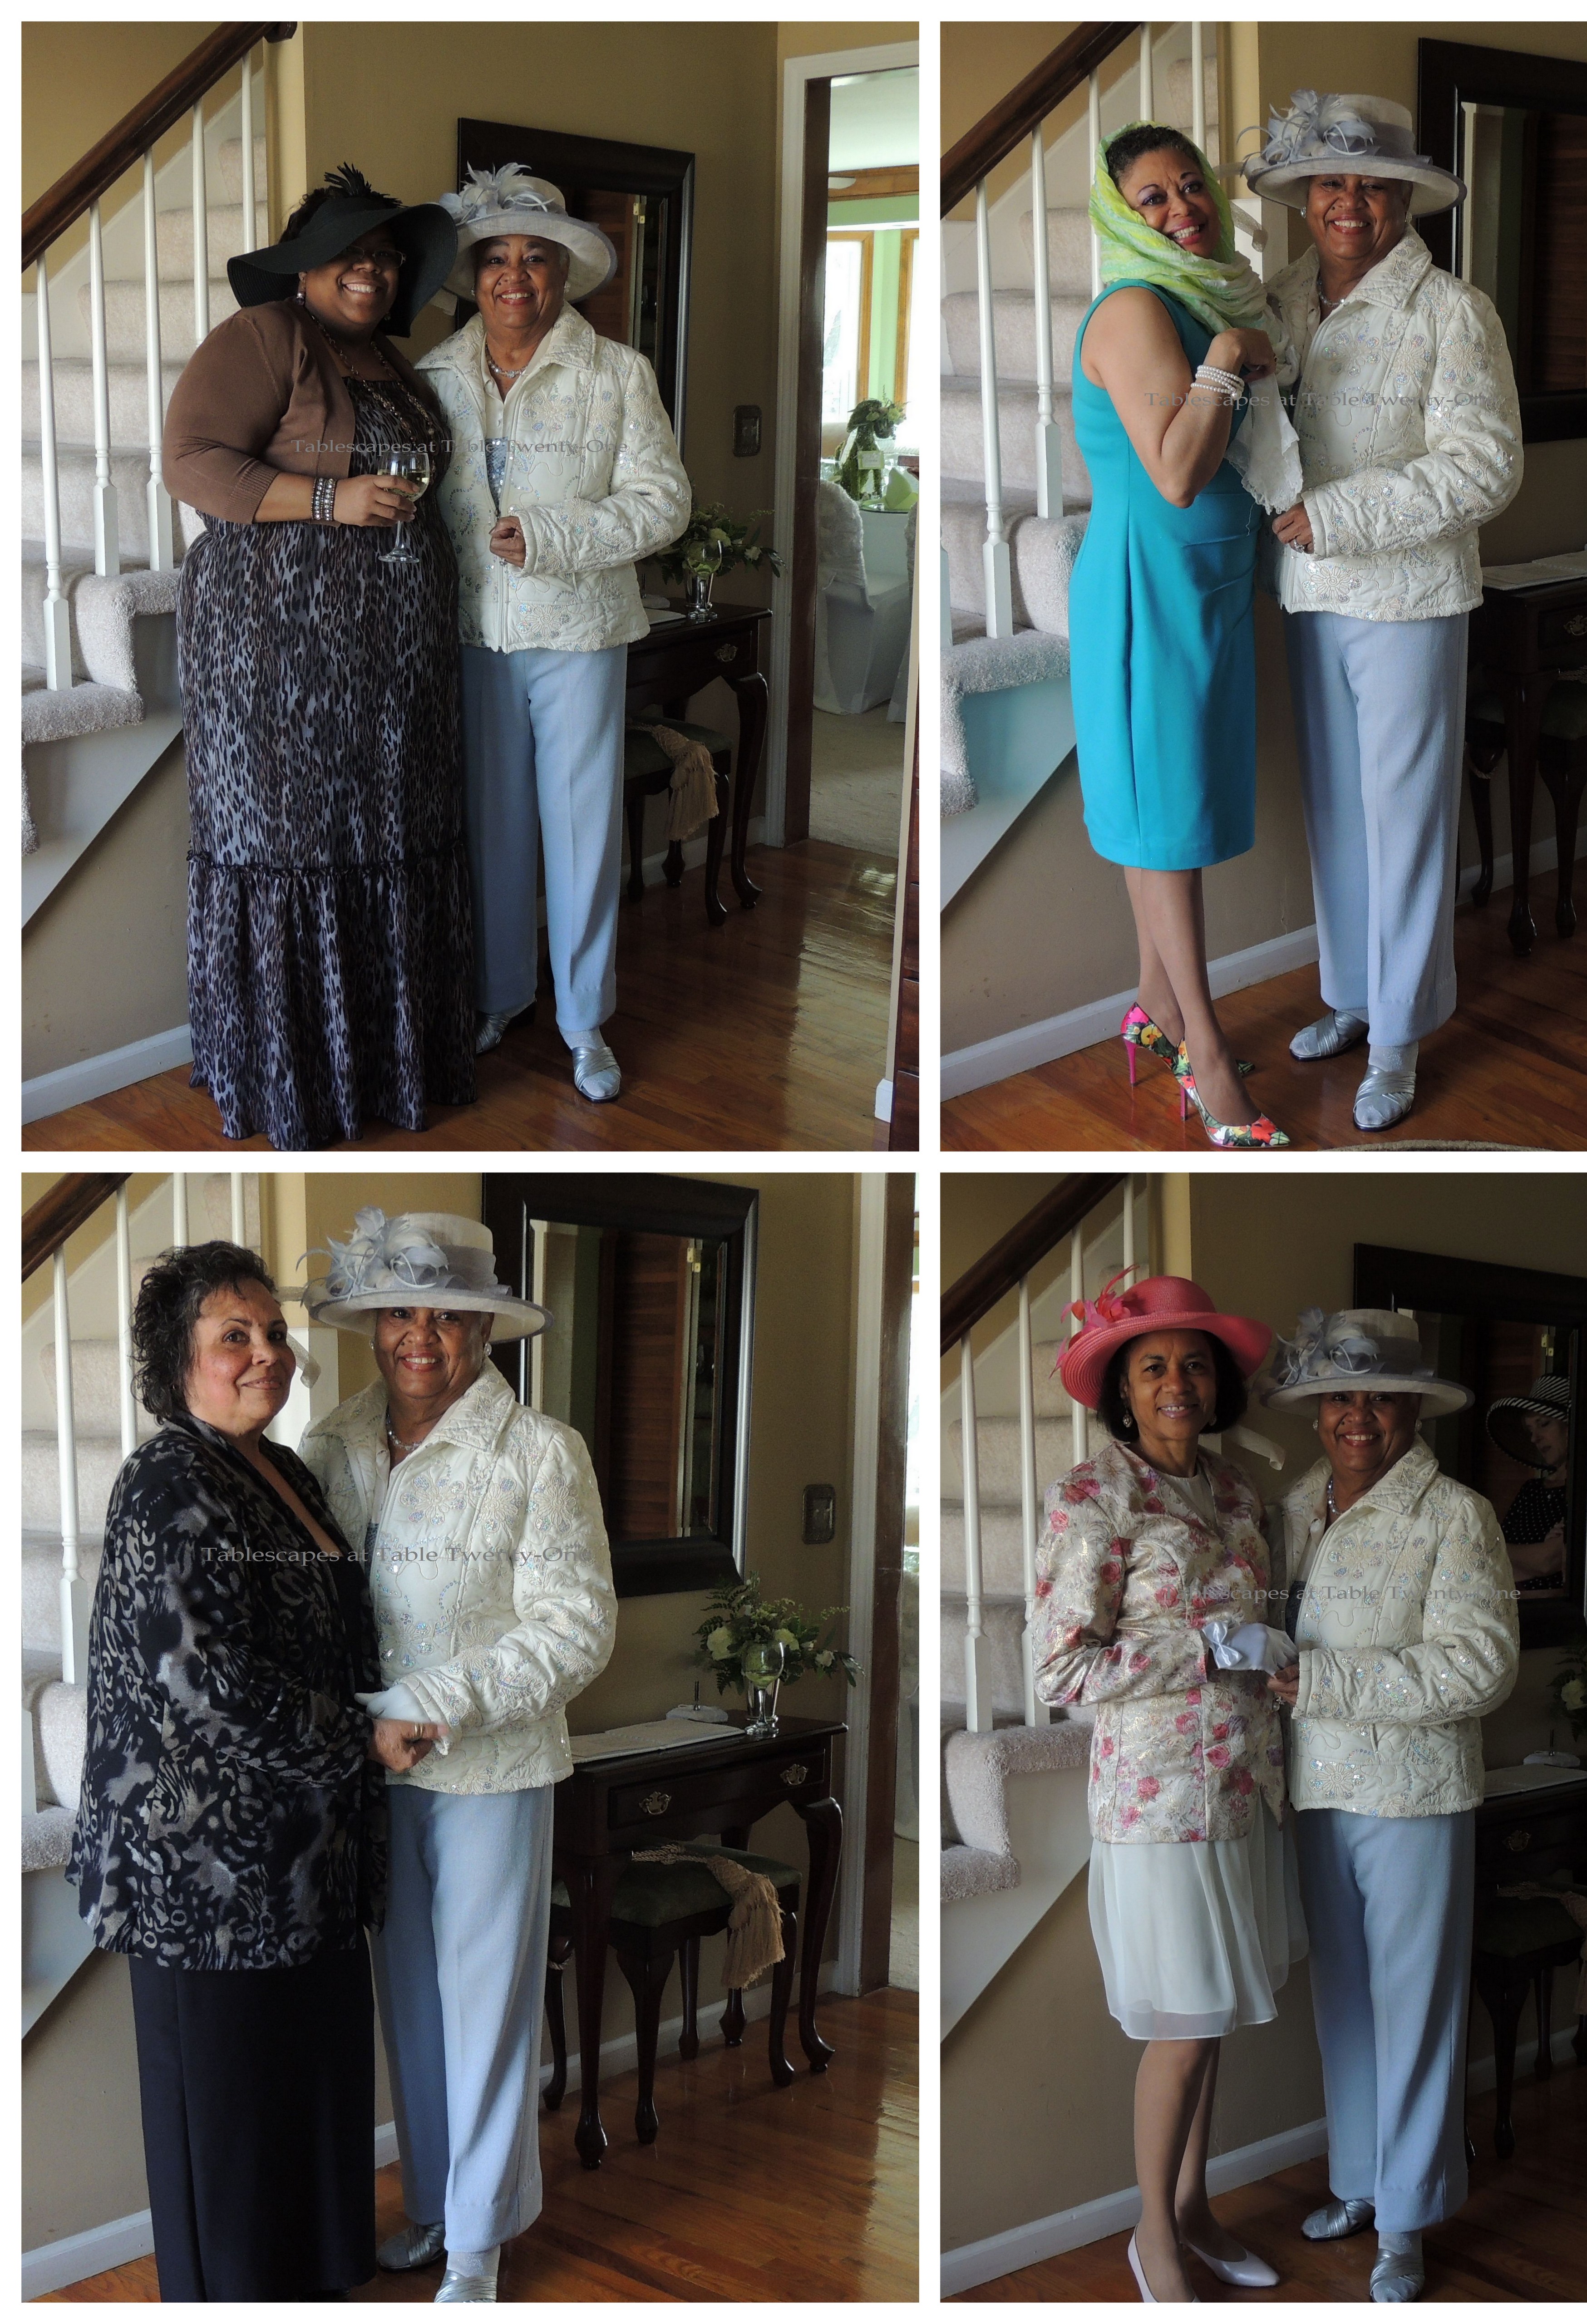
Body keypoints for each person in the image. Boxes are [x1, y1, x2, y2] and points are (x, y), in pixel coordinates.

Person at [67, 1241, 439, 2301]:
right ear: (175, 1357)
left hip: (303, 1871)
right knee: (228, 2147)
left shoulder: (281, 1467)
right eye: (236, 1334)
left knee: (308, 2113)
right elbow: (201, 1676)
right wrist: (361, 1737)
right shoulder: (168, 1480)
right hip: (208, 1885)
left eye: (273, 1331)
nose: (268, 1351)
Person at [300, 1210, 617, 2304]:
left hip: (491, 1766)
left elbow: (575, 1627)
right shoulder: (329, 1444)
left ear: (485, 1329)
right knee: (410, 2003)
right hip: (370, 1773)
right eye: (400, 1310)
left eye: (448, 1312)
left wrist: (435, 1699)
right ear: (374, 1326)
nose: (421, 1333)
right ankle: (435, 2202)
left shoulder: (541, 1452)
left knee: (484, 2002)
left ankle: (480, 2241)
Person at [163, 167, 475, 1149]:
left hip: (394, 659)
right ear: (304, 265)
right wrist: (332, 502)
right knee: (293, 844)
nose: (373, 271)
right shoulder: (263, 337)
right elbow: (192, 458)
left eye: (387, 256)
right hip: (276, 650)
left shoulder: (387, 357)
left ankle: (388, 1064)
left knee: (388, 834)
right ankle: (297, 1078)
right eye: (353, 253)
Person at [1245, 95, 1523, 1133]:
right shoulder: (1277, 302)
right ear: (1304, 198)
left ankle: (1402, 1037)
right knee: (1336, 818)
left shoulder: (1452, 310)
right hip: (1308, 593)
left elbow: (1486, 468)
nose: (1348, 201)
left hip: (1409, 598)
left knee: (1404, 821)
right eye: (1329, 182)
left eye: (1369, 183)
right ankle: (1355, 1000)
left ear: (1402, 195)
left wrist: (1338, 514)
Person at [1034, 1273, 1305, 2303]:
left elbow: (1249, 1628)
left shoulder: (1235, 1495)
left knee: (1216, 2015)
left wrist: (1266, 1649)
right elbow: (1062, 1672)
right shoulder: (1091, 1497)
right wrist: (1200, 1645)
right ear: (1122, 1388)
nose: (1177, 1381)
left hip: (1243, 1786)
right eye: (1153, 1366)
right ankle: (1153, 2233)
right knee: (1182, 2027)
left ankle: (1195, 2207)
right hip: (1157, 1804)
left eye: (1193, 1362)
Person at [1260, 1309, 1519, 2301]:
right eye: (1338, 1396)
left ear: (1410, 1409)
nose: (1355, 1414)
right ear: (1316, 1411)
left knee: (1413, 2010)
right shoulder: (1291, 1510)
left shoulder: (1454, 1515)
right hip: (1313, 1792)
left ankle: (1406, 2222)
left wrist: (1321, 1684)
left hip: (1413, 1799)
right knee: (1344, 2010)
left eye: (1376, 1395)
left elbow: (1479, 1666)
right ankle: (1360, 2184)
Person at [419, 168, 693, 1105]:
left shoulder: (617, 374)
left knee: (579, 831)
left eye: (535, 258)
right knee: (489, 832)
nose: (514, 277)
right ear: (471, 274)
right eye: (495, 257)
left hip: (577, 631)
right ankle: (500, 997)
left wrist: (554, 537)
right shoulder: (432, 377)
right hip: (469, 637)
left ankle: (584, 1021)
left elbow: (664, 503)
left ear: (563, 274)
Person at [1070, 128, 1306, 1150]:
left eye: (1189, 187)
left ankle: (1151, 1010)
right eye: (1152, 199)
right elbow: (1173, 473)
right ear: (1122, 217)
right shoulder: (1133, 310)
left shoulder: (1211, 292)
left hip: (1200, 588)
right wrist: (1221, 361)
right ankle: (1203, 1060)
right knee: (1162, 829)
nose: (1181, 210)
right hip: (1144, 594)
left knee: (1168, 818)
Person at [1486, 1373, 1572, 1588]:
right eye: (1531, 1429)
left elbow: (1548, 1560)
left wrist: (1496, 1547)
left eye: (1544, 1424)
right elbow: (1496, 1564)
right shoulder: (1531, 1491)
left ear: (1570, 1425)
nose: (1535, 1438)